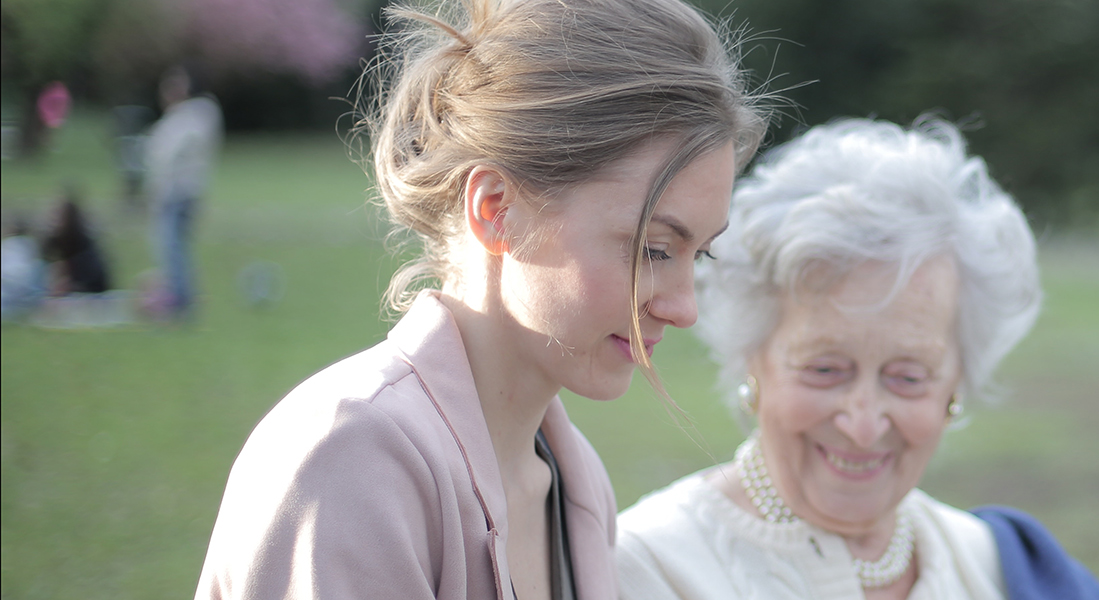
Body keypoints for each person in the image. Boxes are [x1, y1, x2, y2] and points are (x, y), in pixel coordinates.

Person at [192, 0, 766, 597]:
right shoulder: (351, 461)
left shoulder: (577, 483)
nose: (683, 308)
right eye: (652, 249)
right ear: (497, 211)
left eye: (697, 254)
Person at [613, 118, 1099, 600]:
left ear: (955, 387)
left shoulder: (1005, 568)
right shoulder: (644, 569)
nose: (863, 424)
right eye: (825, 369)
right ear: (752, 359)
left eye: (908, 377)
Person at [143, 64, 222, 320]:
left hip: (178, 193)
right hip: (177, 193)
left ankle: (180, 301)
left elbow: (166, 155)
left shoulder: (195, 115)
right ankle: (178, 298)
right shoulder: (185, 117)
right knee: (172, 248)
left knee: (172, 248)